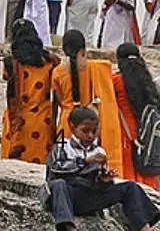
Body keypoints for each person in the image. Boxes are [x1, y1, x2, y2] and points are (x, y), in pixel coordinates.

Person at [45, 105, 160, 231]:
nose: (90, 135)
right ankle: (67, 226)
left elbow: (98, 185)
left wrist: (105, 179)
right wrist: (84, 161)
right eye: (85, 131)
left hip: (87, 196)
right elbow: (56, 168)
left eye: (94, 131)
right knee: (58, 184)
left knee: (130, 187)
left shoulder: (98, 150)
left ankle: (144, 227)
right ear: (72, 127)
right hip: (67, 197)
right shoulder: (62, 145)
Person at [53, 28, 131, 177]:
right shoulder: (94, 68)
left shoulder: (58, 72)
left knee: (62, 159)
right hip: (86, 120)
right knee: (89, 158)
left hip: (65, 122)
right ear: (83, 50)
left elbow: (59, 100)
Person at [1, 19, 59, 164]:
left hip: (18, 118)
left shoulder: (11, 62)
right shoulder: (50, 61)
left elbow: (6, 78)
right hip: (43, 118)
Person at [112, 42, 160, 189]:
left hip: (124, 131)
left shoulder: (116, 81)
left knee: (128, 167)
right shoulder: (148, 81)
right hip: (146, 129)